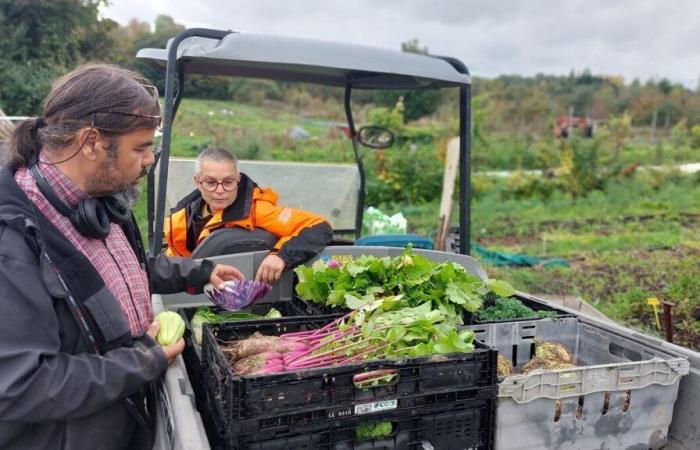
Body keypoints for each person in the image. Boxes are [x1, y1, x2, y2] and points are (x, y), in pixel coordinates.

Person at [0, 64, 245, 450]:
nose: (150, 159)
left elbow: (123, 270)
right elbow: (21, 384)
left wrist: (200, 270)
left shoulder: (98, 201)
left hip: (122, 420)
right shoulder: (13, 240)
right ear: (92, 141)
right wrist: (142, 361)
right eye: (141, 147)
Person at [165, 147, 334, 284]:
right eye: (210, 183)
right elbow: (174, 260)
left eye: (228, 182)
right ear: (198, 182)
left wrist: (281, 256)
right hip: (194, 289)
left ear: (238, 180)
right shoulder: (181, 220)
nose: (220, 190)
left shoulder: (257, 211)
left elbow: (320, 226)